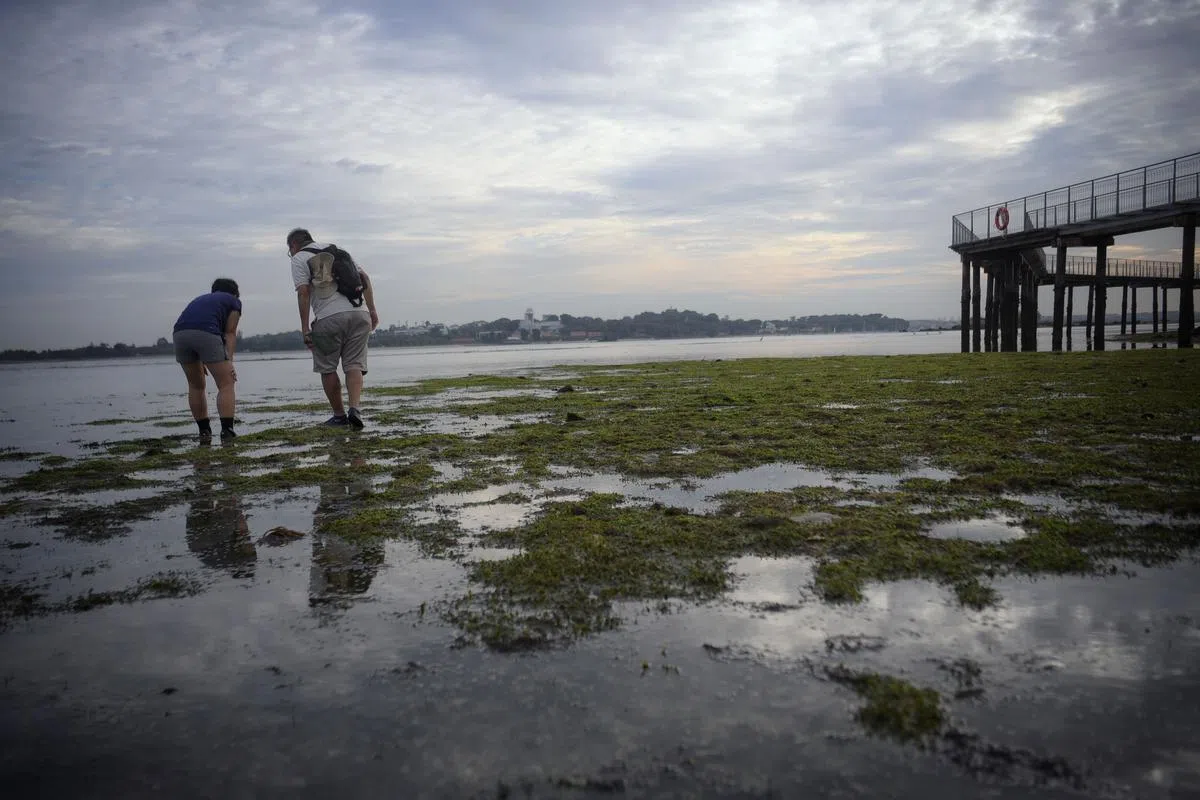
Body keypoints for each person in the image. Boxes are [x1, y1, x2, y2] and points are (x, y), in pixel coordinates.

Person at [287, 228, 379, 428]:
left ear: (293, 245)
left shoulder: (299, 258)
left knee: (327, 367)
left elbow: (303, 292)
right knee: (354, 364)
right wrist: (372, 311)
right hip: (360, 313)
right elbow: (365, 279)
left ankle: (339, 416)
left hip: (329, 318)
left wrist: (305, 328)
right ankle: (355, 409)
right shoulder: (338, 251)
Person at [173, 278, 241, 440]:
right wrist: (229, 362)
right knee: (226, 383)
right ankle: (227, 431)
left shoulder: (201, 299)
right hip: (207, 333)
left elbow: (195, 323)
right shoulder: (233, 302)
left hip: (180, 334)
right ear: (235, 293)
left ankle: (204, 431)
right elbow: (230, 333)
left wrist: (203, 357)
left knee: (196, 385)